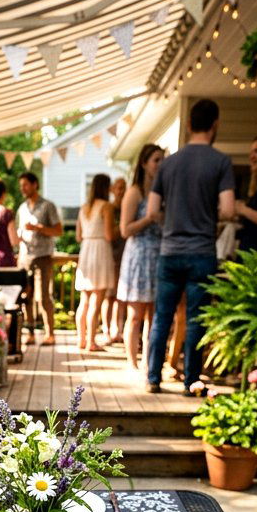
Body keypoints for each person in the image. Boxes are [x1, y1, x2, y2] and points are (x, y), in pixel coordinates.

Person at [144, 99, 235, 392]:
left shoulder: (168, 164)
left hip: (170, 251)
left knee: (162, 318)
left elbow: (152, 211)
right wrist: (207, 214)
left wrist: (172, 220)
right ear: (215, 125)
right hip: (202, 252)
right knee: (196, 320)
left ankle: (153, 379)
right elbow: (228, 210)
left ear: (189, 126)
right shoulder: (220, 162)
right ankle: (190, 382)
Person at [116, 145, 163, 373]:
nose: (160, 164)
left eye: (162, 160)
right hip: (138, 257)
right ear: (144, 163)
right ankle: (131, 362)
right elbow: (125, 230)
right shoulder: (134, 192)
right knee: (135, 315)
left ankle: (148, 362)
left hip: (159, 256)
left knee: (154, 316)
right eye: (156, 160)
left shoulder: (162, 191)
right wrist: (149, 219)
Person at [17, 171, 62, 347]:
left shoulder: (48, 206)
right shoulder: (22, 208)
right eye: (21, 185)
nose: (22, 188)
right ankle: (30, 333)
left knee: (44, 297)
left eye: (25, 185)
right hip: (24, 257)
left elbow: (58, 231)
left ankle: (50, 334)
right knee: (26, 296)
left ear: (35, 184)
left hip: (43, 256)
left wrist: (38, 228)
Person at [74, 174, 115, 353]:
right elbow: (109, 235)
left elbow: (78, 236)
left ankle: (81, 339)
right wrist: (121, 228)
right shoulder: (106, 206)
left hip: (86, 250)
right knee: (97, 300)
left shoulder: (84, 207)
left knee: (84, 300)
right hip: (100, 250)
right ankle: (91, 341)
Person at [101, 176, 127, 344]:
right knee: (108, 297)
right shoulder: (109, 209)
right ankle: (106, 329)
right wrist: (124, 227)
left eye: (124, 187)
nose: (121, 191)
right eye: (119, 188)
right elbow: (109, 233)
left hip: (125, 257)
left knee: (121, 297)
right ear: (112, 190)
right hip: (110, 256)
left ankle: (118, 329)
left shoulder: (128, 208)